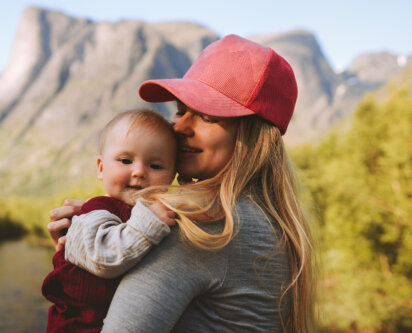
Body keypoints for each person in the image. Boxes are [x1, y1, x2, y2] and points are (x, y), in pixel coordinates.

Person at [48, 34, 316, 332]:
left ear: (252, 136)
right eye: (180, 109)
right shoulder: (270, 221)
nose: (179, 126)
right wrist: (94, 236)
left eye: (206, 116)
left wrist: (83, 246)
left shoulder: (203, 223)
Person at [42, 108, 178, 332]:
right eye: (125, 160)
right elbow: (104, 256)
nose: (139, 172)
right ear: (101, 168)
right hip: (76, 326)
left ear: (172, 177)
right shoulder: (94, 211)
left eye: (155, 166)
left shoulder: (151, 213)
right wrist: (150, 223)